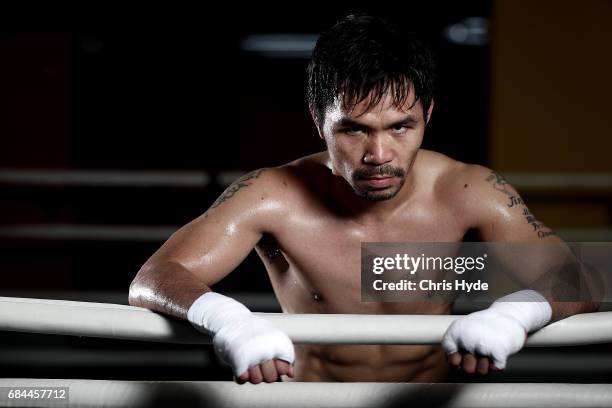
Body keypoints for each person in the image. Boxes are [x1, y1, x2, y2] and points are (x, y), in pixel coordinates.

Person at [128, 13, 599, 383]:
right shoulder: (272, 195)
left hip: (428, 402)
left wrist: (512, 316)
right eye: (354, 129)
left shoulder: (468, 192)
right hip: (311, 403)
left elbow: (580, 278)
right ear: (319, 121)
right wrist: (229, 320)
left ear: (428, 115)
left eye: (400, 127)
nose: (378, 154)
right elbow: (155, 277)